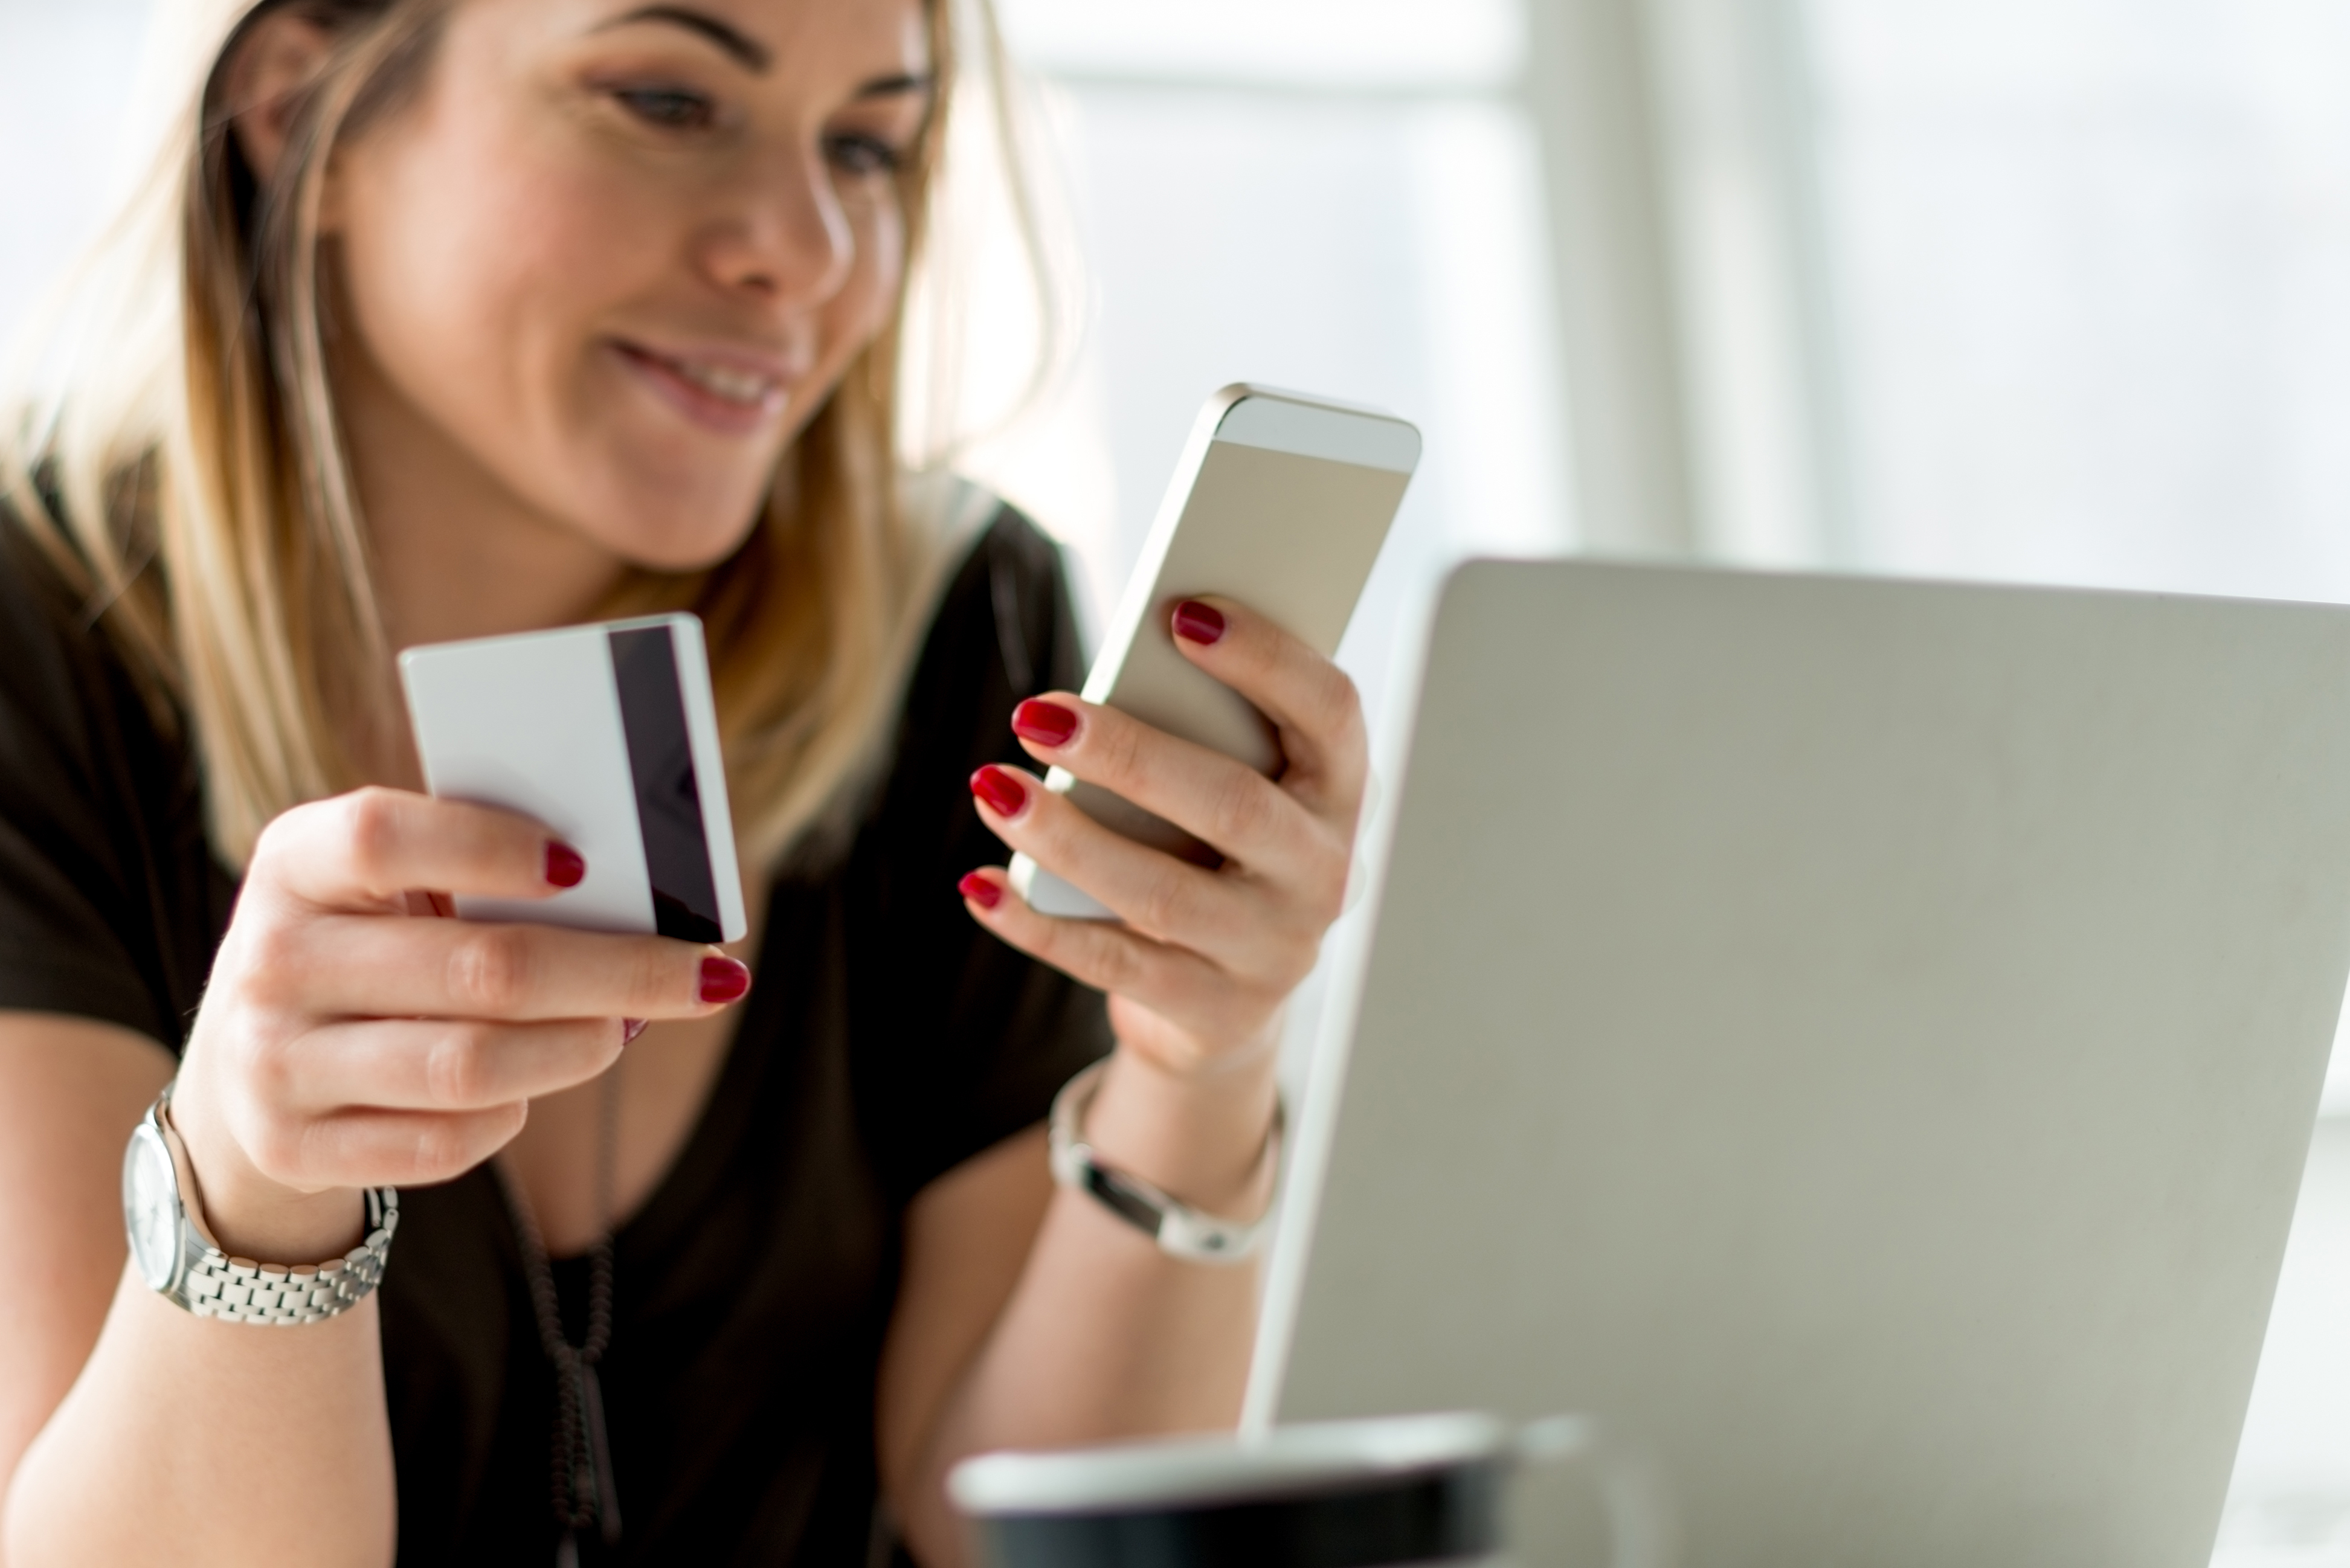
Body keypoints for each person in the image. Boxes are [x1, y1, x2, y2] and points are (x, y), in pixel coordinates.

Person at [0, 0, 1367, 1563]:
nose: (810, 252)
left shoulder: (964, 626)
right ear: (298, 114)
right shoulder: (36, 657)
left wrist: (1201, 1059)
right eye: (664, 98)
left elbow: (1008, 1528)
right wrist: (253, 1181)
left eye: (868, 144)